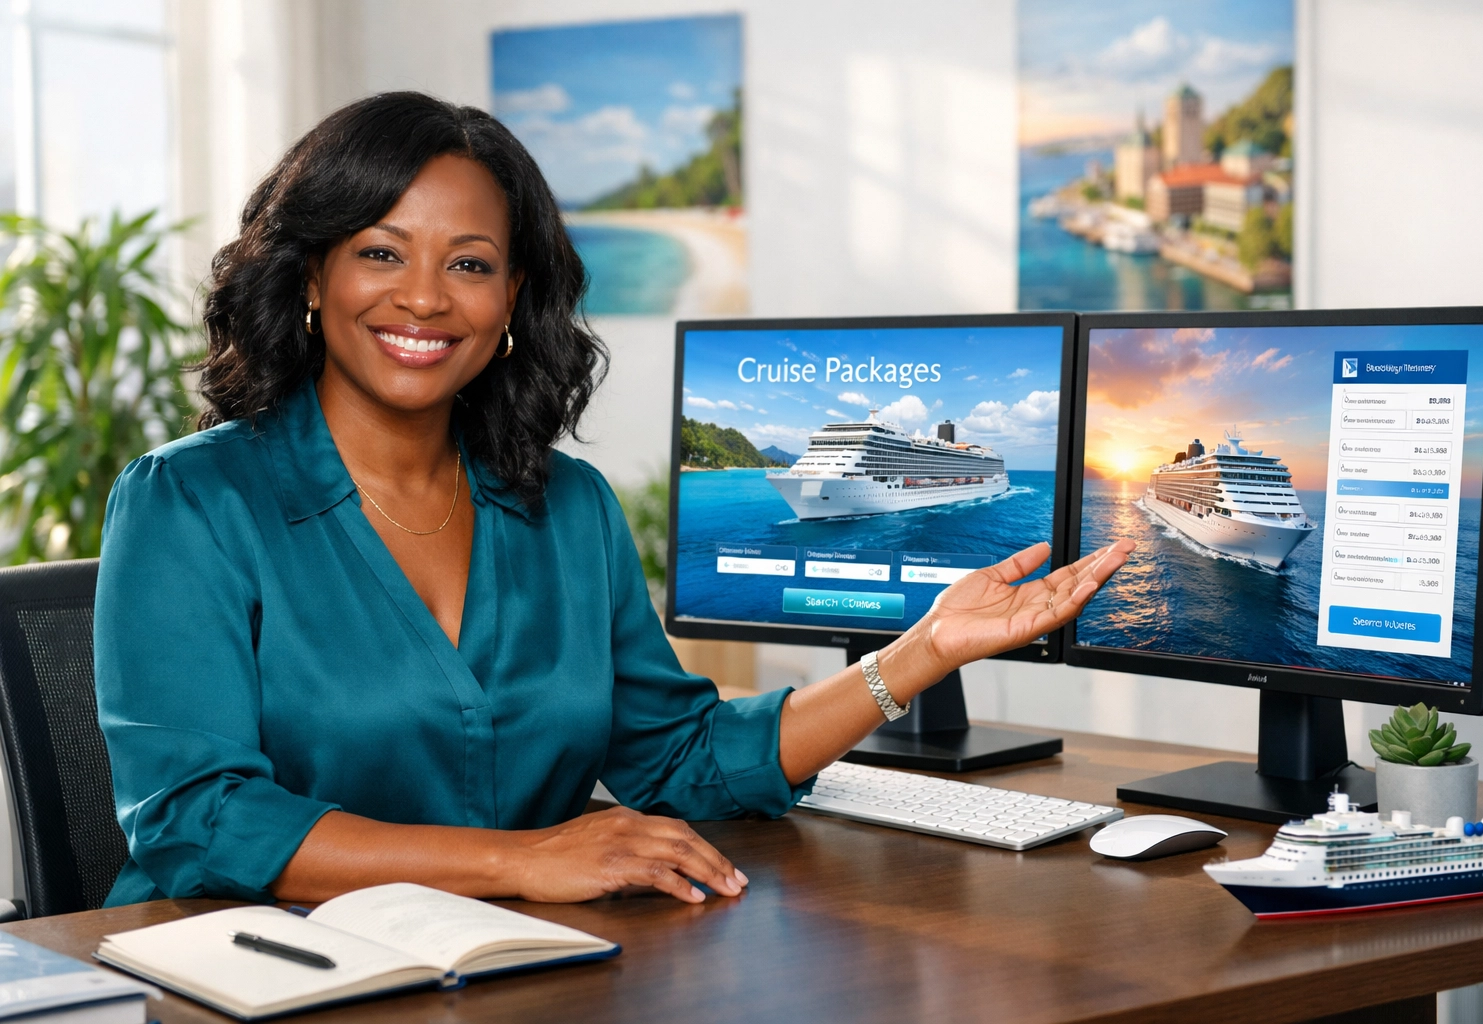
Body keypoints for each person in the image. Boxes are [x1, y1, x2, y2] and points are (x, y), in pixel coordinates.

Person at [94, 92, 1133, 909]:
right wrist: (522, 861)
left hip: (509, 971)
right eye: (378, 251)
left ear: (511, 303)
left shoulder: (566, 510)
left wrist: (924, 650)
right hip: (248, 976)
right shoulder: (189, 505)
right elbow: (200, 819)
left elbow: (679, 758)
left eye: (469, 263)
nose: (422, 297)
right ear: (310, 278)